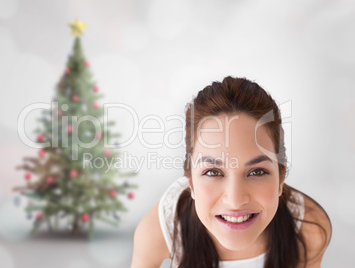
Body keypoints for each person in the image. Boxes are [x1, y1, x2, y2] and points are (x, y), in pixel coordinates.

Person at [131, 76, 332, 268]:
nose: (235, 201)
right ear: (190, 182)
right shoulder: (158, 231)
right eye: (213, 172)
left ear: (281, 178)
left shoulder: (309, 228)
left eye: (257, 172)